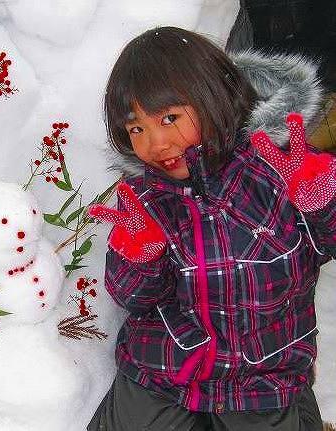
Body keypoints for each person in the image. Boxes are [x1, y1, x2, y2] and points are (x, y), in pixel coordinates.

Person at [86, 26, 336, 430]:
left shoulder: (278, 173)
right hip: (164, 370)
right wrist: (140, 258)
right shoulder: (144, 200)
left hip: (262, 377)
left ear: (213, 102)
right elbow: (132, 298)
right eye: (137, 129)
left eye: (169, 118)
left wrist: (322, 203)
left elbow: (327, 242)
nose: (157, 143)